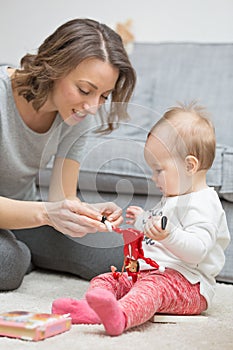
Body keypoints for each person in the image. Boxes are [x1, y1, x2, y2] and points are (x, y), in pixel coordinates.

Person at [52, 102, 230, 336]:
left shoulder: (203, 203)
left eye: (159, 170)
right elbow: (156, 232)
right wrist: (141, 222)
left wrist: (170, 235)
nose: (154, 177)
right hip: (149, 273)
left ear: (189, 165)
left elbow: (197, 252)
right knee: (109, 279)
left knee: (152, 289)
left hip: (189, 285)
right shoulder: (173, 197)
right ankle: (93, 310)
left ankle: (121, 317)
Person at [0, 18, 136, 291]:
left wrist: (84, 214)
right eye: (85, 90)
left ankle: (21, 248)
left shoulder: (78, 115)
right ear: (54, 68)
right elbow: (49, 211)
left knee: (117, 256)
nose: (92, 107)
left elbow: (61, 198)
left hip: (25, 217)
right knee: (7, 264)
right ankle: (21, 254)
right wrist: (47, 214)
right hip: (29, 216)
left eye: (103, 96)